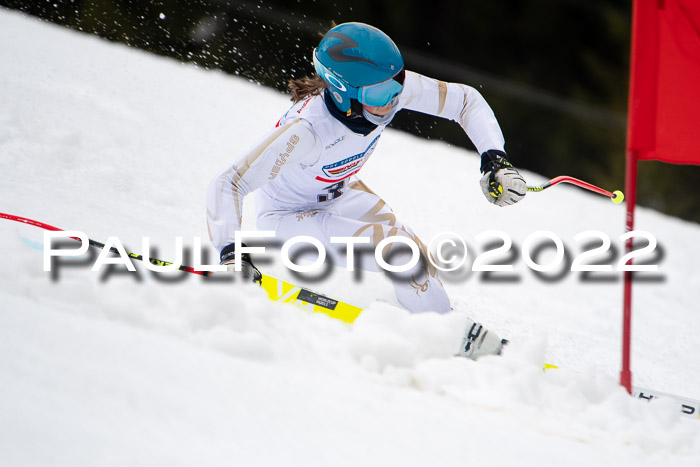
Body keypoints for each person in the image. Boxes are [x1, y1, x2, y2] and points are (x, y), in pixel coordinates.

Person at [207, 22, 527, 359]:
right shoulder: (307, 131)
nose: (391, 101)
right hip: (286, 217)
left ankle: (435, 325)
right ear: (344, 93)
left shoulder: (384, 93)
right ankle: (449, 340)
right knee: (403, 258)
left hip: (340, 192)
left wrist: (495, 159)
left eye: (396, 85)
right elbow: (229, 182)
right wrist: (232, 255)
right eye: (378, 94)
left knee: (423, 264)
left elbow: (466, 102)